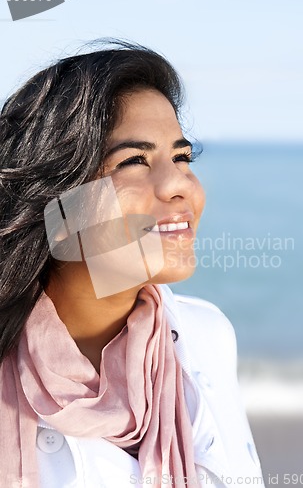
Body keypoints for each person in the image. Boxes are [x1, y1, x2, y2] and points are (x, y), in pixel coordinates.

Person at [0, 40, 265, 488]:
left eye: (181, 157)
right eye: (135, 161)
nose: (179, 185)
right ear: (58, 206)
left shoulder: (206, 337)